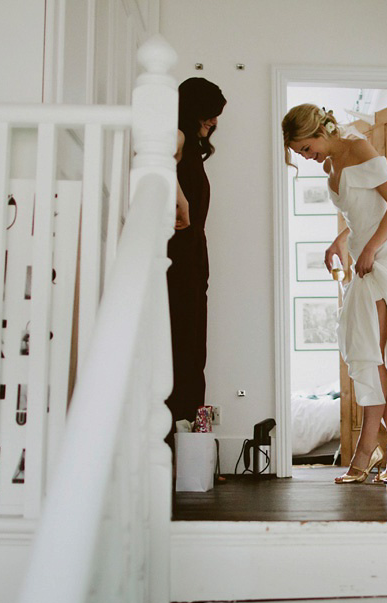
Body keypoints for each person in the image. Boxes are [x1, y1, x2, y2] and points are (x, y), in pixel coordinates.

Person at [282, 104, 387, 484]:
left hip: (386, 255)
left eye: (306, 149)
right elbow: (360, 213)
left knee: (376, 353)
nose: (307, 159)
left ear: (320, 132)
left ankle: (376, 452)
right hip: (365, 252)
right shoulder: (330, 165)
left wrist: (370, 248)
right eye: (300, 154)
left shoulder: (359, 149)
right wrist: (339, 241)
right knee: (367, 350)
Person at [166, 78, 226, 449]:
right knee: (180, 350)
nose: (213, 123)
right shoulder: (177, 137)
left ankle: (191, 447)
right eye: (209, 116)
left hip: (193, 260)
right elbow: (163, 152)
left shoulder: (191, 149)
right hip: (177, 260)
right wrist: (180, 198)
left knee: (192, 353)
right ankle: (176, 447)